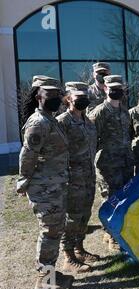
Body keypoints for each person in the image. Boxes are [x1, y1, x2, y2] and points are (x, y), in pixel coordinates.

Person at [16, 76, 74, 289]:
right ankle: (45, 278)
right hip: (44, 188)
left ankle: (50, 272)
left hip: (55, 185)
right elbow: (28, 154)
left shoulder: (51, 119)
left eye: (57, 95)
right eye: (49, 96)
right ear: (39, 97)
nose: (55, 99)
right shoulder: (38, 122)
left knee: (55, 229)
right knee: (50, 230)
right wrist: (23, 181)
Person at [87, 75, 134, 251]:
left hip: (125, 162)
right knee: (110, 199)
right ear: (105, 89)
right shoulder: (99, 112)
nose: (116, 91)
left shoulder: (124, 111)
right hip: (108, 164)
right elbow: (91, 139)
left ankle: (119, 230)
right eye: (112, 88)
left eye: (119, 88)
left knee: (123, 197)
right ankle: (111, 234)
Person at [57, 82, 99, 273]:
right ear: (68, 99)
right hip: (72, 179)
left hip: (89, 177)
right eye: (77, 98)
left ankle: (79, 249)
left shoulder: (89, 122)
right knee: (72, 218)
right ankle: (68, 257)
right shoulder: (62, 122)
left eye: (84, 97)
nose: (82, 101)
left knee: (84, 215)